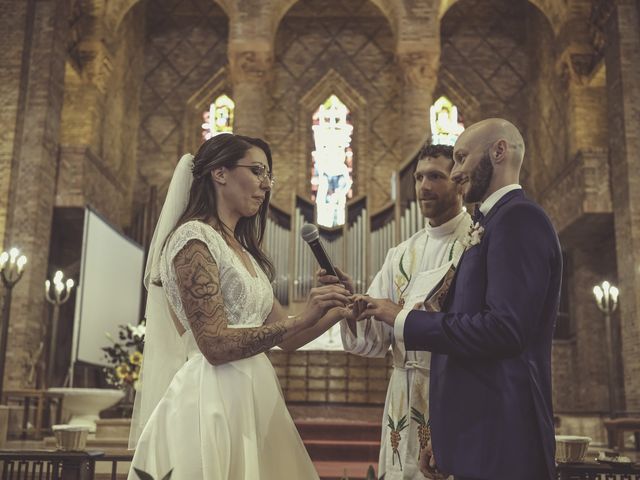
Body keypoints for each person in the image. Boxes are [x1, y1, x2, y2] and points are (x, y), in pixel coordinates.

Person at [127, 134, 352, 479]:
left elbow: (288, 337)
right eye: (257, 171)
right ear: (220, 173)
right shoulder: (194, 240)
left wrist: (336, 308)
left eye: (268, 176)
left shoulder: (246, 253)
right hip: (211, 397)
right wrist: (302, 317)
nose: (266, 184)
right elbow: (215, 345)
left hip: (255, 395)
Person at [355, 119, 561, 480]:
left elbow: (505, 329)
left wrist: (403, 318)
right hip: (477, 427)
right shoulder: (492, 222)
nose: (458, 170)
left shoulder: (518, 219)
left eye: (463, 158)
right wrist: (447, 434)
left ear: (499, 151)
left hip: (502, 433)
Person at [319, 144, 472, 479]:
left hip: (453, 389)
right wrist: (354, 309)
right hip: (402, 391)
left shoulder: (475, 243)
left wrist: (395, 313)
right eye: (418, 177)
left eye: (435, 176)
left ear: (460, 183)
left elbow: (475, 328)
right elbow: (375, 342)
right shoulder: (401, 254)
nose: (423, 186)